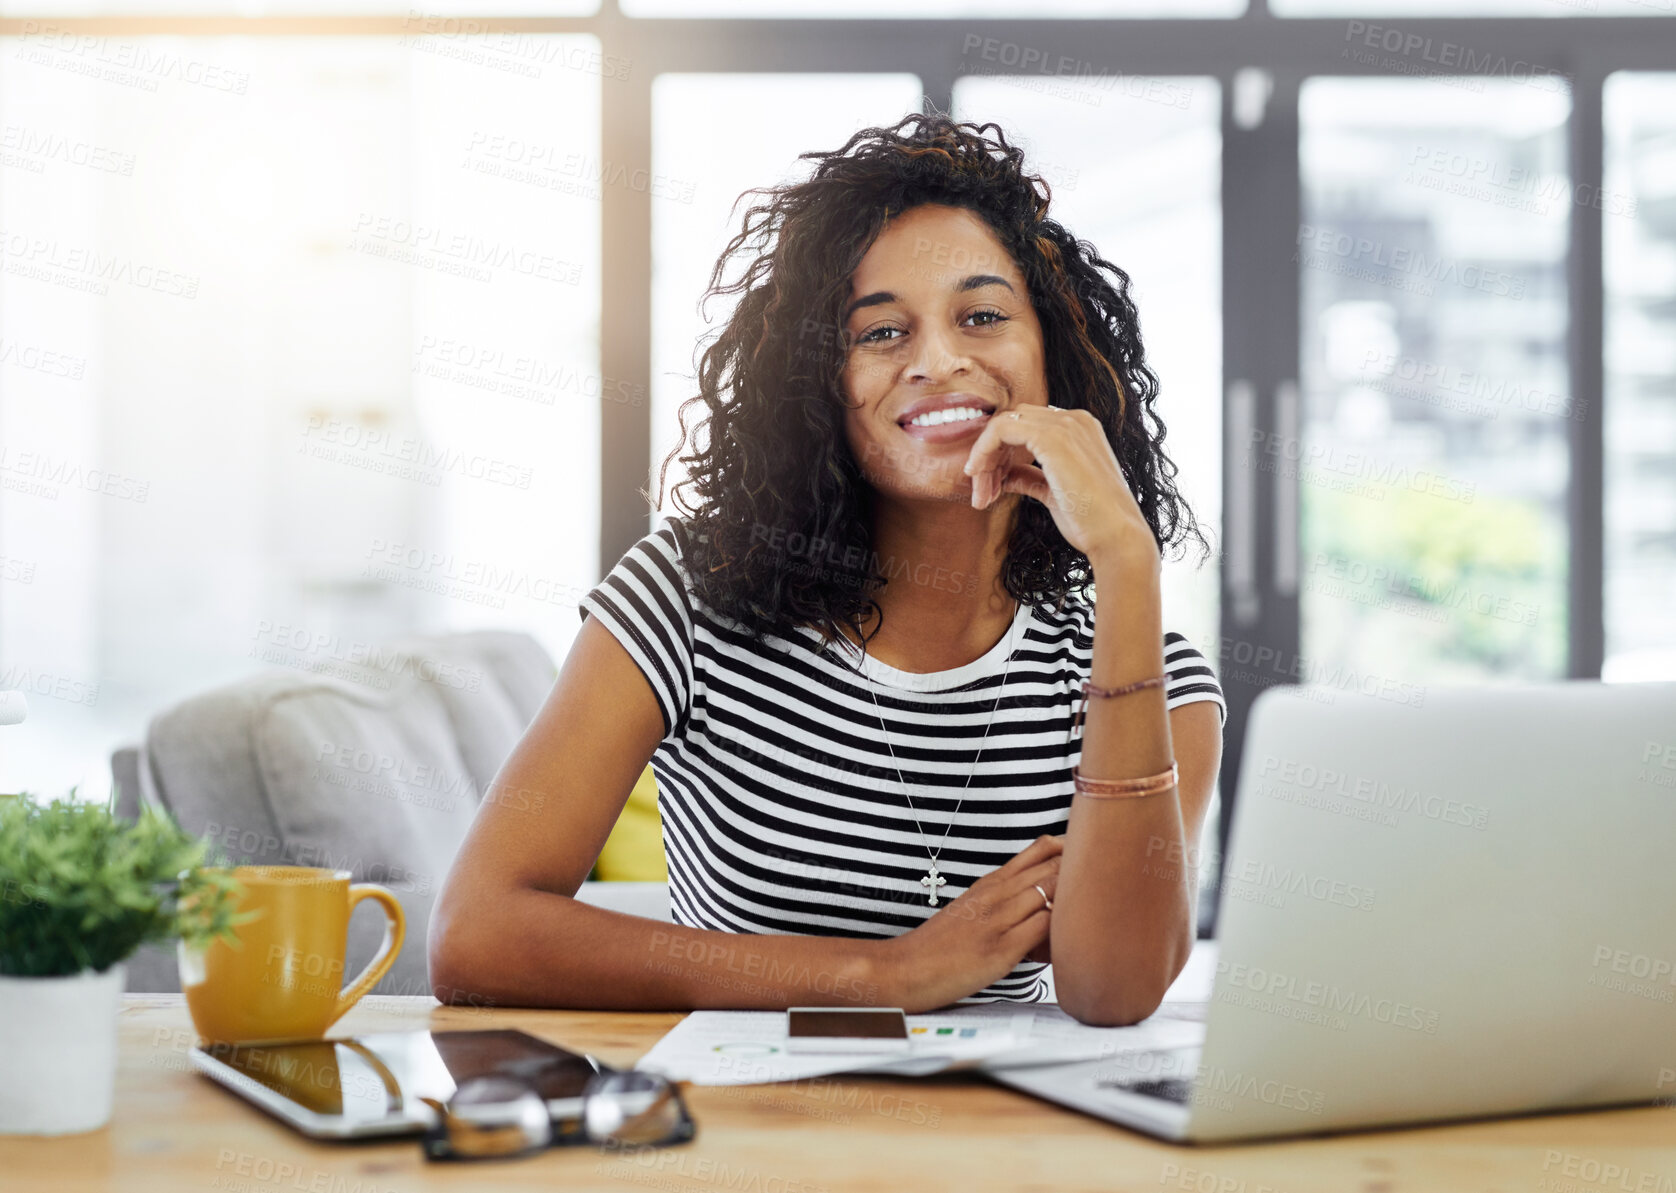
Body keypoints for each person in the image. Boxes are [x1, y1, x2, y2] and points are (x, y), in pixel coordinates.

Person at [430, 113, 1225, 1025]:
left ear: (1054, 355)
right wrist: (880, 977)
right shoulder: (688, 597)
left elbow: (1114, 990)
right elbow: (476, 934)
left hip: (1002, 1149)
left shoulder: (1154, 680)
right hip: (746, 1141)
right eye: (881, 332)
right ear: (823, 380)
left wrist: (1128, 563)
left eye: (983, 315)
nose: (939, 360)